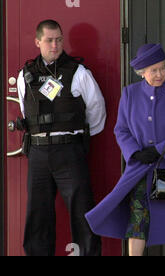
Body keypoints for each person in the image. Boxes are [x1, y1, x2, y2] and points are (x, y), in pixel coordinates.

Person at [85, 43, 165, 256]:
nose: (160, 74)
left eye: (163, 68)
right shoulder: (130, 94)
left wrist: (160, 150)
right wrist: (134, 152)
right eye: (154, 70)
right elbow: (121, 130)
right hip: (140, 168)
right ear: (142, 72)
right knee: (137, 220)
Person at [17, 19, 106, 256]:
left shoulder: (78, 73)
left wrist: (74, 138)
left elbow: (97, 111)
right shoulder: (25, 74)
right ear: (38, 42)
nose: (55, 45)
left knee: (82, 212)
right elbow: (27, 113)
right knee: (38, 215)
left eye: (59, 39)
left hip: (69, 152)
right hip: (38, 153)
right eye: (49, 40)